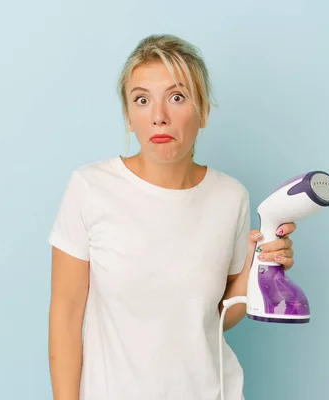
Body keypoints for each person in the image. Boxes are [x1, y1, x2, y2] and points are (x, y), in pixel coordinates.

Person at [47, 34, 297, 400]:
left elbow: (212, 320)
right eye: (142, 100)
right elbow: (66, 316)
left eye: (177, 97)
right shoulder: (90, 188)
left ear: (204, 112)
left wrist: (259, 269)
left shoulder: (231, 197)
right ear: (129, 117)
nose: (159, 116)